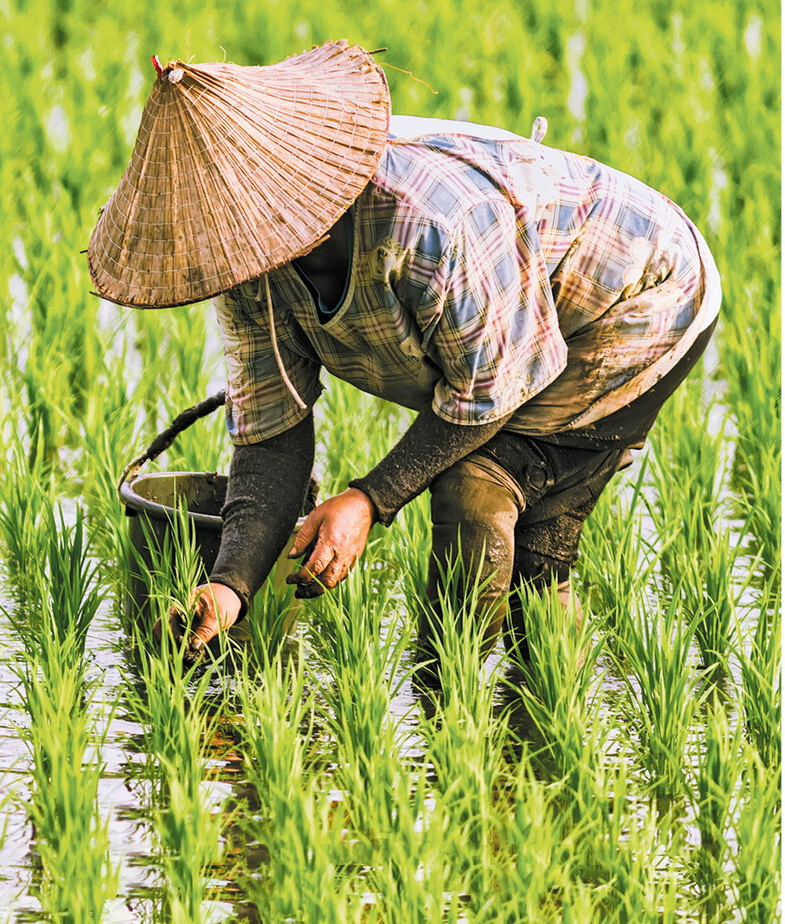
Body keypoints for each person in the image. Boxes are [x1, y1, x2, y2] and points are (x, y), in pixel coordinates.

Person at [88, 41, 720, 672]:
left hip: (641, 298)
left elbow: (486, 391)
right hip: (519, 329)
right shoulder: (251, 272)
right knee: (518, 543)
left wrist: (366, 499)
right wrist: (230, 586)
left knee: (478, 491)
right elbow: (272, 439)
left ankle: (455, 708)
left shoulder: (429, 227)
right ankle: (503, 726)